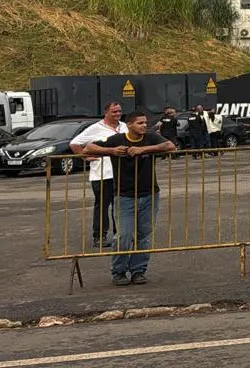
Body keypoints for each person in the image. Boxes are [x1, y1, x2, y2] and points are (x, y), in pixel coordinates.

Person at [83, 111, 176, 286]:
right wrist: (111, 151)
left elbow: (170, 146)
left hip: (149, 194)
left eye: (145, 123)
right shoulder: (117, 139)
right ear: (130, 125)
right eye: (140, 123)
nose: (144, 126)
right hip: (124, 195)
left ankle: (138, 271)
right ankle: (118, 271)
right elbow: (88, 148)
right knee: (124, 235)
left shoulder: (150, 138)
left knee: (144, 236)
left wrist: (144, 149)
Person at [69, 101, 126, 248]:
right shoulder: (95, 128)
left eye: (119, 111)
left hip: (121, 173)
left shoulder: (124, 126)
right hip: (102, 174)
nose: (118, 114)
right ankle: (99, 236)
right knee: (102, 206)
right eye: (114, 112)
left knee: (119, 206)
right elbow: (74, 143)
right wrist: (84, 156)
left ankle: (118, 234)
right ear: (106, 112)